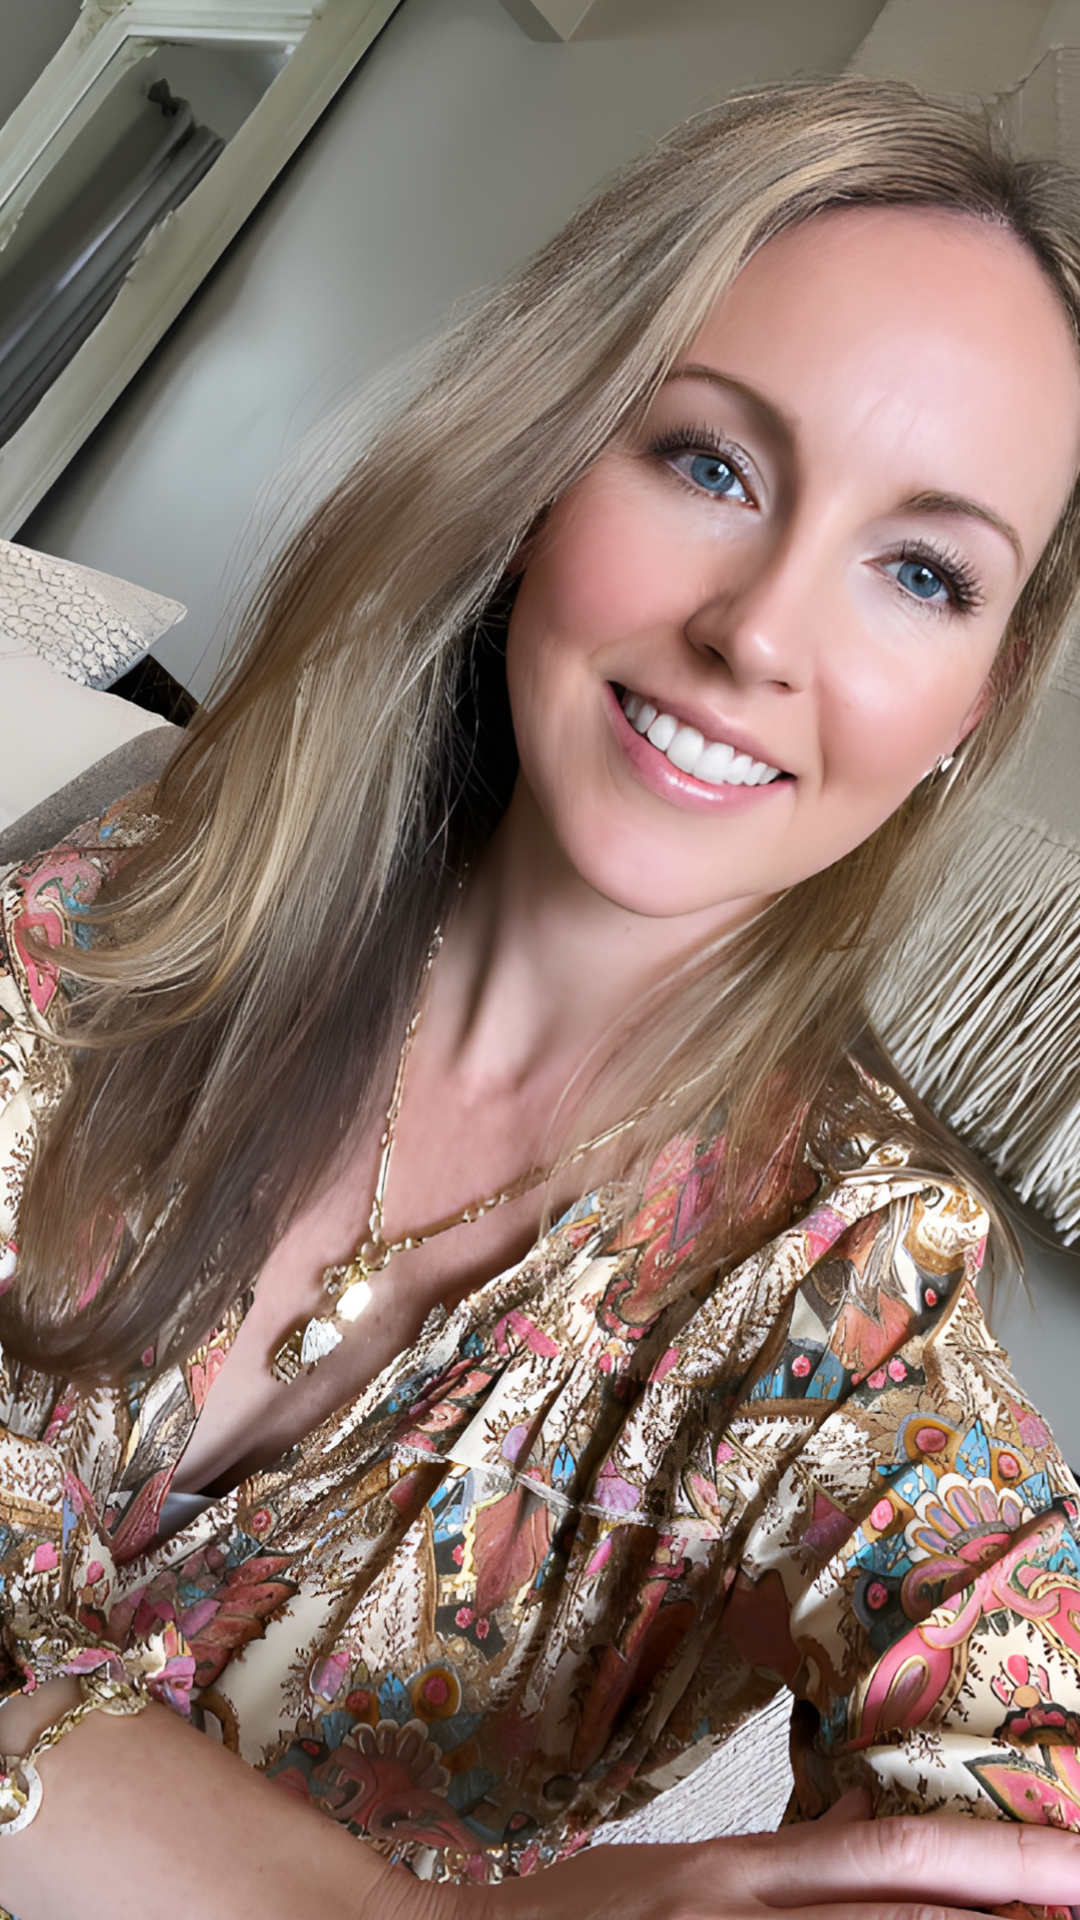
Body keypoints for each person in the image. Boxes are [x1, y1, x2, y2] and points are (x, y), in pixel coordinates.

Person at [0, 71, 1079, 1920]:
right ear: (546, 467)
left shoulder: (853, 1299)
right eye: (711, 464)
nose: (759, 634)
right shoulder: (118, 918)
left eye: (922, 571)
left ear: (972, 703)